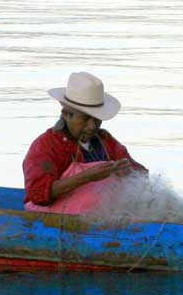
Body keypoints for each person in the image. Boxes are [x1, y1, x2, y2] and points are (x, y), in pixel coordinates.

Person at [22, 72, 146, 206]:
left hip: (99, 215)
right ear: (66, 115)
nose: (92, 126)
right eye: (85, 119)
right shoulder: (46, 145)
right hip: (51, 220)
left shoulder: (105, 140)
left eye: (97, 119)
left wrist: (130, 173)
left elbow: (143, 173)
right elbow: (37, 193)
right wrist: (86, 177)